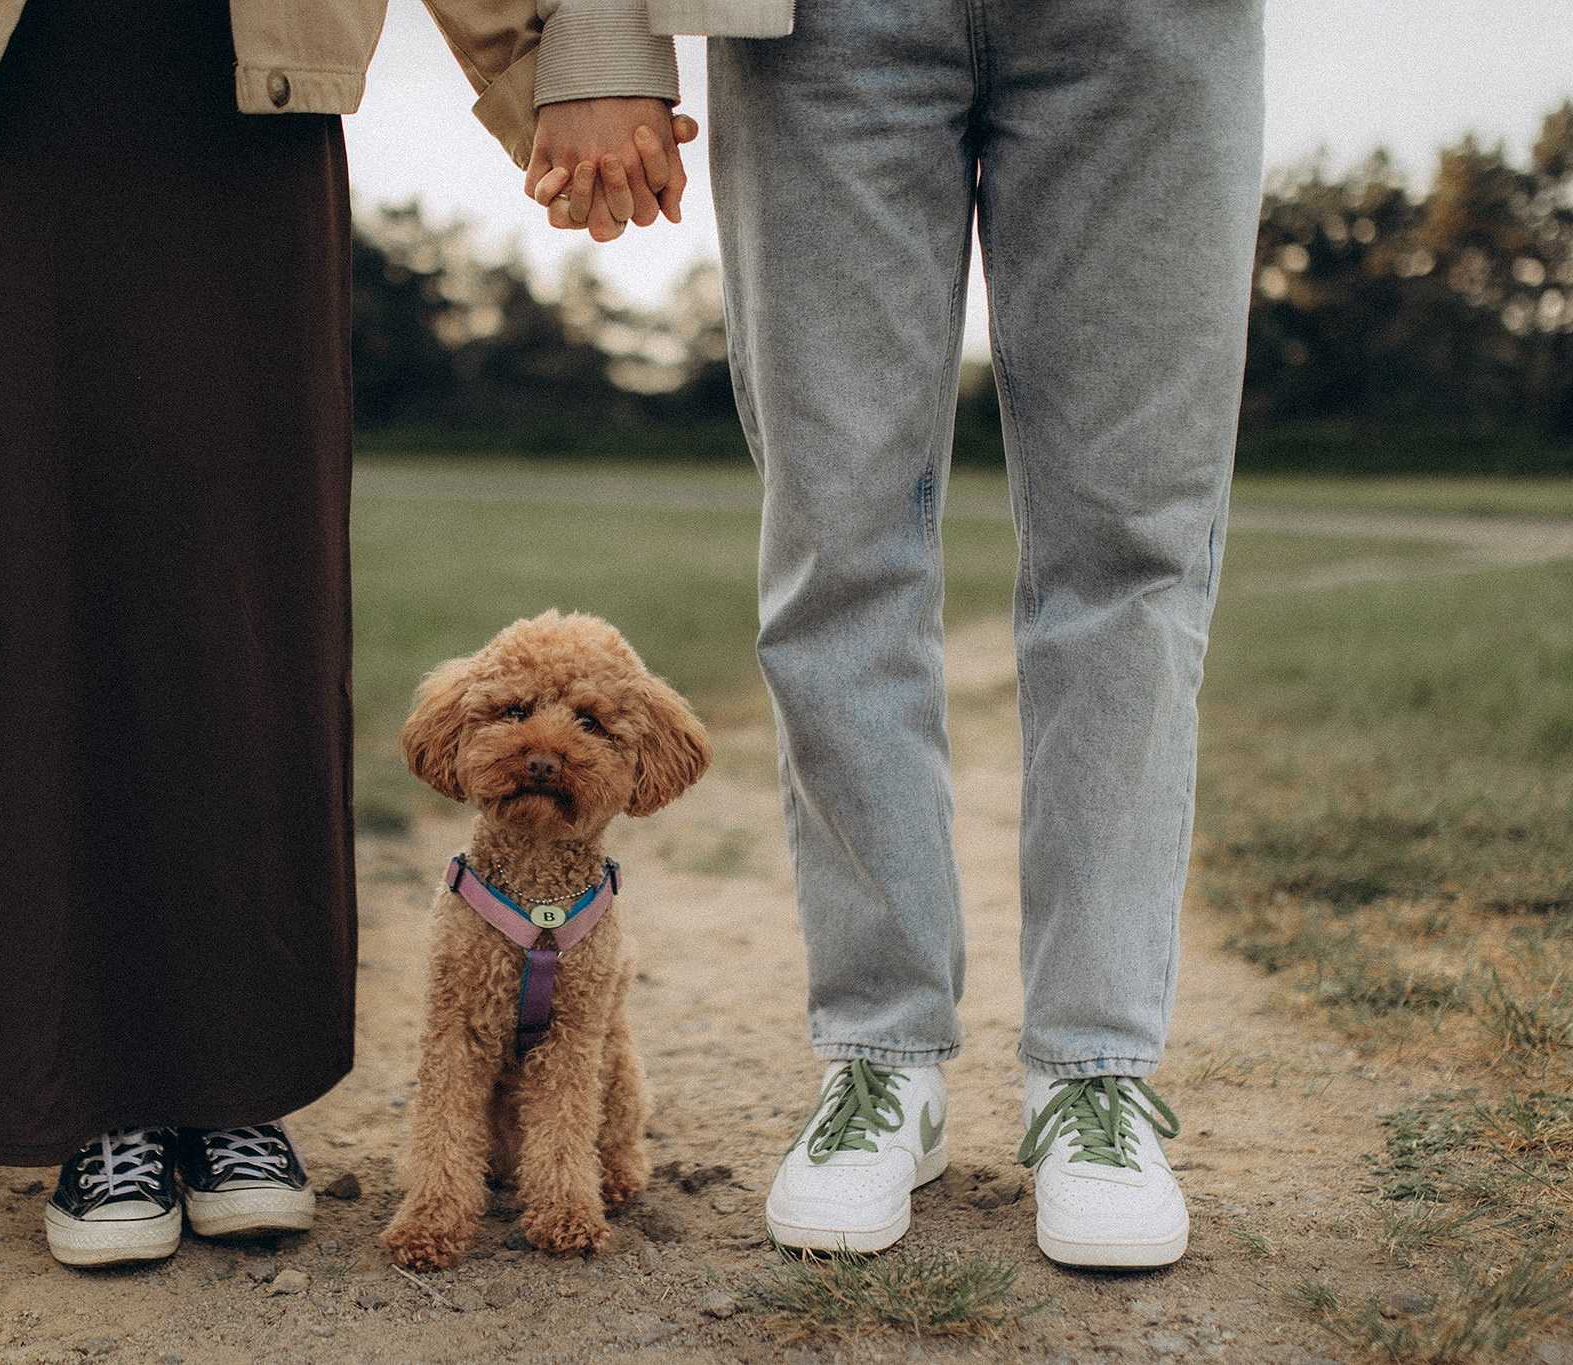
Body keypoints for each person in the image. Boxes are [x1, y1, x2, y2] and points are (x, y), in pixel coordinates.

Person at [0, 0, 700, 1267]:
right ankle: (86, 1094)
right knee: (12, 601)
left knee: (242, 609)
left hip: (242, 108)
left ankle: (229, 1077)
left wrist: (559, 75)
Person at [534, 0, 1264, 1267]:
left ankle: (1091, 1075)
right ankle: (883, 1060)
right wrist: (601, 34)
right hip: (819, 25)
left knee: (1131, 551)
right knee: (837, 544)